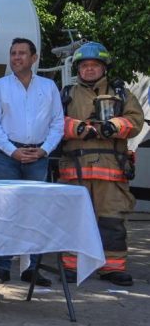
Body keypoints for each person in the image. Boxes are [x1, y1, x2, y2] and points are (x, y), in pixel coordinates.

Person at [59, 42, 144, 286]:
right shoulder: (67, 94)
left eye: (94, 65)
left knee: (112, 220)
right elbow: (52, 121)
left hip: (111, 170)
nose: (89, 69)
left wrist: (114, 126)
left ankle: (112, 267)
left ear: (104, 67)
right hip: (75, 169)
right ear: (78, 69)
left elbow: (135, 121)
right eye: (84, 65)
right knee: (75, 219)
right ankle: (71, 266)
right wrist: (75, 128)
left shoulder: (121, 93)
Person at [0, 37, 62, 286]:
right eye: (13, 53)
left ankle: (31, 268)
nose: (16, 57)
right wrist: (12, 151)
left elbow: (58, 123)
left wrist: (44, 150)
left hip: (38, 156)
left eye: (22, 53)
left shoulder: (48, 87)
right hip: (8, 157)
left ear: (34, 58)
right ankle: (2, 267)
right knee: (5, 212)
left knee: (35, 213)